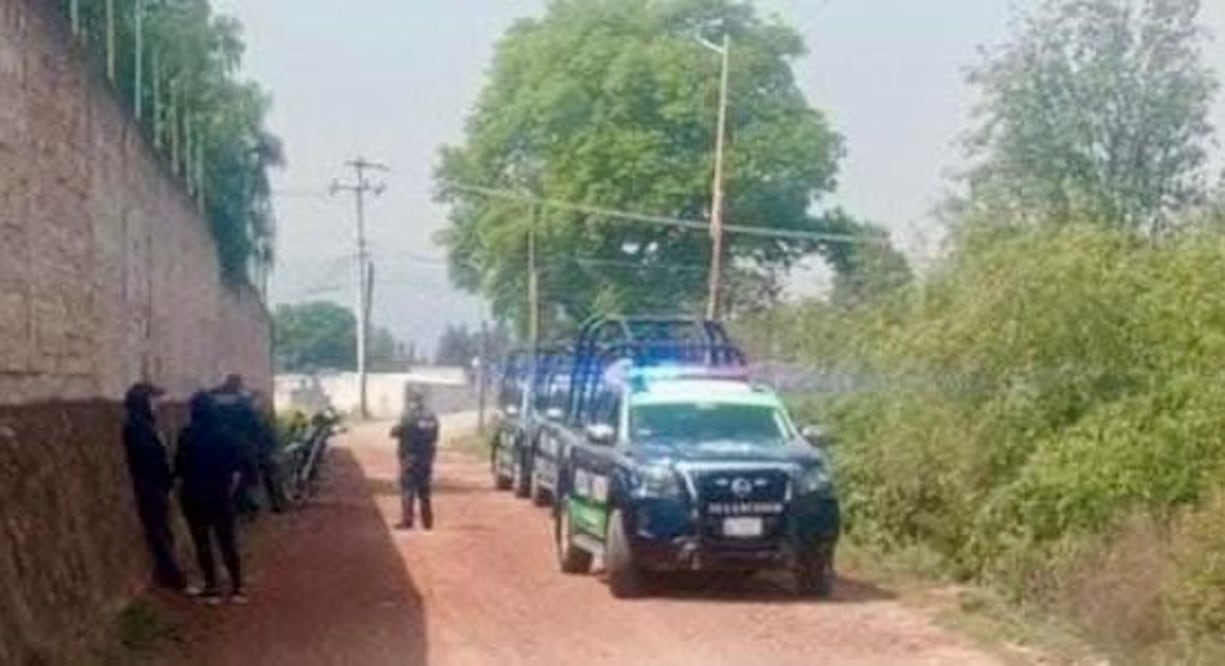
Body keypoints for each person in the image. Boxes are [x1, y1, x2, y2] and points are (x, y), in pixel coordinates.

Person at [176, 392, 246, 604]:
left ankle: (211, 587)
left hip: (194, 495)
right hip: (220, 495)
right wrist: (228, 491)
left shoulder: (187, 435)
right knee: (227, 542)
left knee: (202, 542)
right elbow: (236, 469)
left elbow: (179, 467)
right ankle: (237, 589)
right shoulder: (226, 434)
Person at [121, 382, 187, 591]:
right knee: (159, 531)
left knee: (163, 530)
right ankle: (171, 574)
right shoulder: (138, 428)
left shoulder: (144, 425)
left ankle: (170, 571)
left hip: (155, 485)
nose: (156, 404)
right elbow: (149, 457)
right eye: (153, 400)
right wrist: (164, 477)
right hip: (150, 486)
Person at [209, 374, 263, 519]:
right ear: (238, 386)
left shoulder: (212, 399)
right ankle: (246, 506)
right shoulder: (243, 402)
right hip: (240, 444)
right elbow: (254, 425)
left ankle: (234, 505)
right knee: (244, 475)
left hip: (216, 444)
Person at [390, 388, 440, 530]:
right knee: (425, 491)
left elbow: (395, 432)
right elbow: (435, 436)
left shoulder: (408, 416)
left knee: (408, 490)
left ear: (411, 401)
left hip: (410, 458)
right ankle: (427, 522)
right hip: (426, 458)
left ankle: (407, 521)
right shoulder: (431, 416)